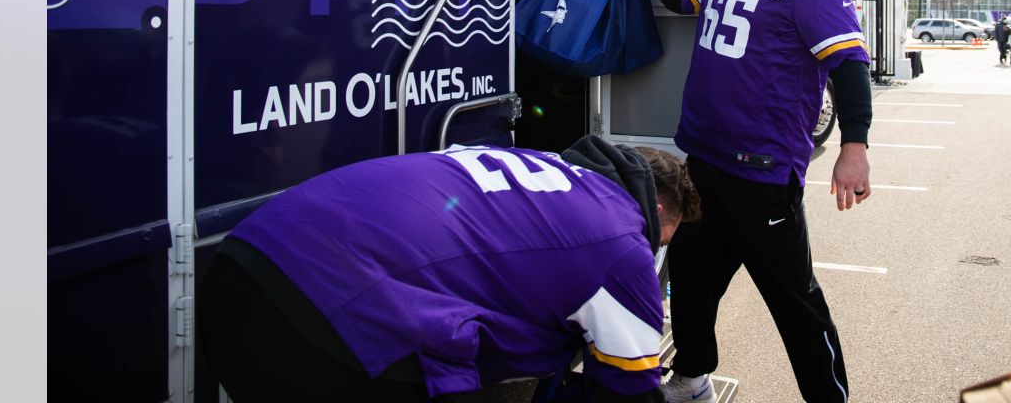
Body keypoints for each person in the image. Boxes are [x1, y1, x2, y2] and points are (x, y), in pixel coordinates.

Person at [609, 0, 873, 403]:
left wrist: (854, 146)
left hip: (763, 171)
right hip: (705, 161)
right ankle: (693, 377)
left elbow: (849, 63)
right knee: (691, 281)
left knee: (795, 303)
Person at [198, 136, 700, 403]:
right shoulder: (620, 241)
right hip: (327, 319)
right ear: (658, 210)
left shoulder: (537, 163)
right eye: (664, 238)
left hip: (244, 260)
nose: (654, 250)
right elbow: (628, 392)